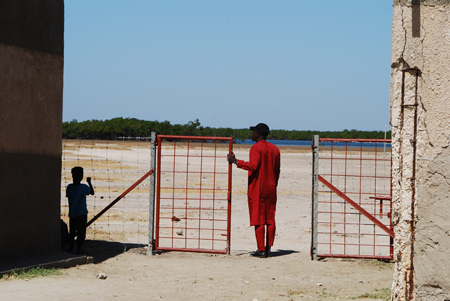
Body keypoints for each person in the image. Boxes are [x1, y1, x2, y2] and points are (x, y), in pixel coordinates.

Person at [227, 123, 280, 258]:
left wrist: (236, 161)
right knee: (270, 218)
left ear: (257, 134)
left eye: (253, 132)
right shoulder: (275, 149)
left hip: (258, 188)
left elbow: (253, 166)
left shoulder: (256, 148)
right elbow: (277, 170)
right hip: (271, 187)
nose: (252, 134)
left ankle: (261, 249)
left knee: (259, 218)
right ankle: (268, 248)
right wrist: (274, 184)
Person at [66, 166, 94, 254]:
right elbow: (92, 192)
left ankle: (71, 247)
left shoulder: (69, 187)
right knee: (81, 232)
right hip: (82, 213)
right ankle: (78, 248)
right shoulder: (83, 187)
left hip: (72, 213)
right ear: (81, 176)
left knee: (72, 231)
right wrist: (89, 182)